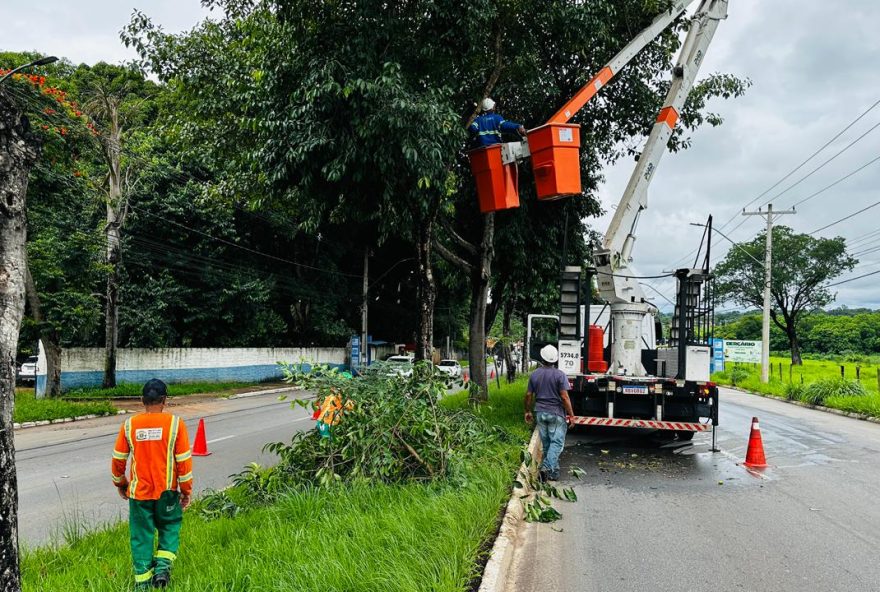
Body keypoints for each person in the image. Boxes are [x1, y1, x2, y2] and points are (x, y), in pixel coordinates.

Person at [111, 379, 193, 589]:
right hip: (166, 493)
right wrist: (185, 491)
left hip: (139, 494)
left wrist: (121, 483)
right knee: (170, 527)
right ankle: (162, 568)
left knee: (141, 536)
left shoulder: (129, 425)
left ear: (142, 400)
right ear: (164, 400)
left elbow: (118, 460)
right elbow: (183, 462)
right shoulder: (176, 424)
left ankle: (143, 583)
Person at [524, 344, 574, 481]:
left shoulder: (534, 375)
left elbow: (528, 395)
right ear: (555, 360)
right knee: (556, 444)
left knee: (547, 444)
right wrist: (571, 415)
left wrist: (527, 411)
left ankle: (553, 473)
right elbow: (564, 397)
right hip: (556, 413)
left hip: (540, 412)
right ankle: (546, 467)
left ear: (542, 358)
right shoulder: (560, 375)